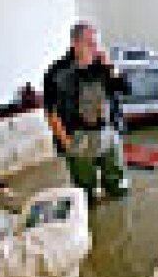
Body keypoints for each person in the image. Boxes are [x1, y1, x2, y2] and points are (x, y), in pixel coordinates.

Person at [44, 22, 129, 201]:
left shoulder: (103, 66)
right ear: (75, 44)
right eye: (90, 43)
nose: (96, 48)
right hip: (78, 135)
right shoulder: (57, 72)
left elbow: (124, 89)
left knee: (118, 185)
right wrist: (67, 143)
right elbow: (51, 112)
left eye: (96, 43)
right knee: (85, 191)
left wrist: (111, 67)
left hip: (108, 131)